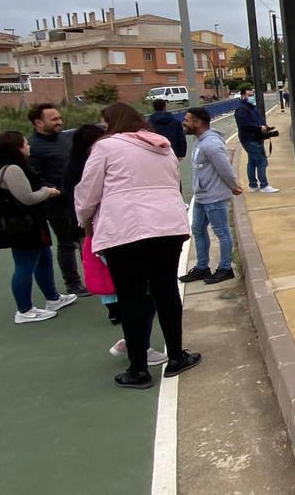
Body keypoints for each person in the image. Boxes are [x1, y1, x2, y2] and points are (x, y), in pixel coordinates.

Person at [76, 102, 201, 389]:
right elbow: (173, 183)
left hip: (124, 231)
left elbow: (88, 192)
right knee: (166, 291)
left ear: (112, 123)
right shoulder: (163, 145)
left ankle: (138, 369)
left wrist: (85, 220)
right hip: (167, 227)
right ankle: (177, 356)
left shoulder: (105, 148)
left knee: (131, 297)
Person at [0, 131, 77, 323]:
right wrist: (46, 192)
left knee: (43, 259)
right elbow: (27, 198)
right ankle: (24, 310)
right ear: (16, 148)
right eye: (25, 144)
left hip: (30, 223)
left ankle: (53, 298)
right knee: (25, 265)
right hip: (23, 225)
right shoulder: (12, 169)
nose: (29, 146)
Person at [27, 103, 89, 296]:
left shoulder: (65, 138)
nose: (59, 122)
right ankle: (72, 283)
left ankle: (93, 277)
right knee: (66, 243)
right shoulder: (34, 147)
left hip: (77, 199)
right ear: (38, 122)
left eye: (60, 118)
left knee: (86, 240)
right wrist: (55, 190)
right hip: (57, 204)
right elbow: (34, 176)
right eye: (54, 119)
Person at [179, 107, 244, 285]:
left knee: (221, 232)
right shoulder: (200, 141)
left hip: (213, 196)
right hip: (202, 196)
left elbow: (225, 168)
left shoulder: (211, 143)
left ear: (198, 122)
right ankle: (202, 267)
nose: (183, 122)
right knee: (198, 230)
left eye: (187, 119)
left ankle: (225, 268)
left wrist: (234, 186)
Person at [62, 123, 118, 324]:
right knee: (110, 266)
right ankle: (118, 305)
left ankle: (112, 307)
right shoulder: (92, 163)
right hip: (96, 224)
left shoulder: (73, 164)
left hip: (86, 223)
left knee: (98, 267)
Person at [235, 88, 278, 193]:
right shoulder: (242, 109)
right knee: (262, 161)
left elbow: (259, 120)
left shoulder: (251, 107)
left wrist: (266, 127)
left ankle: (253, 185)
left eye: (252, 94)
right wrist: (259, 128)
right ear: (243, 96)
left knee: (252, 161)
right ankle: (264, 185)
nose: (251, 97)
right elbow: (244, 124)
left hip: (255, 138)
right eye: (249, 95)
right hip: (249, 139)